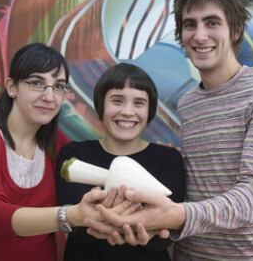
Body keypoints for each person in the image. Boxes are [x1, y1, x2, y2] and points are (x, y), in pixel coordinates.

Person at [87, 0, 253, 260]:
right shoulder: (188, 103)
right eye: (190, 25)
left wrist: (176, 215)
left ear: (235, 30)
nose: (199, 35)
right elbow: (194, 189)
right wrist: (154, 223)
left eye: (212, 23)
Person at [0, 43, 125, 261]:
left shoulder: (58, 146)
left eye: (59, 86)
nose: (49, 96)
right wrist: (71, 215)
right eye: (37, 83)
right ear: (11, 87)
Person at [56, 62, 186, 261]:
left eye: (139, 103)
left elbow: (163, 237)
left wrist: (102, 211)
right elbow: (79, 231)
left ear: (149, 111)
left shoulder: (168, 159)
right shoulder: (74, 155)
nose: (127, 111)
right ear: (100, 106)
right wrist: (140, 214)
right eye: (117, 100)